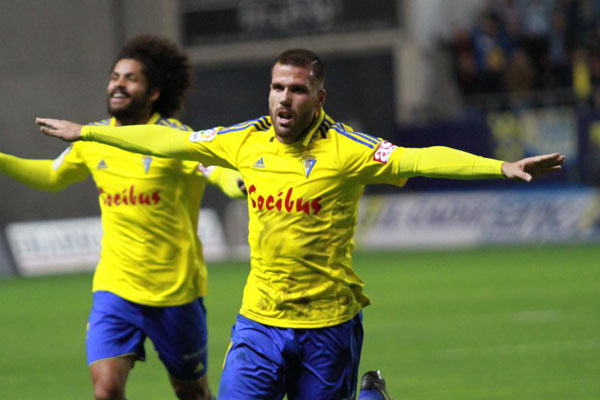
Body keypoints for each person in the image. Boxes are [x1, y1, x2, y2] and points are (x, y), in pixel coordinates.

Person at [37, 48, 565, 400]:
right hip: (259, 323)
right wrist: (88, 133)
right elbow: (169, 141)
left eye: (296, 90)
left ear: (319, 98)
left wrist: (500, 165)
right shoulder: (245, 140)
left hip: (327, 326)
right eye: (276, 88)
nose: (283, 99)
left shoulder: (351, 151)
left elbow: (419, 158)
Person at [2, 35, 246, 400]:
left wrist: (238, 182)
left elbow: (216, 171)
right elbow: (53, 175)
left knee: (192, 393)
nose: (118, 83)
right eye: (115, 76)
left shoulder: (175, 139)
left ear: (153, 92)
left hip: (176, 292)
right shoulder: (94, 138)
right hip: (115, 289)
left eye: (131, 78)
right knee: (106, 390)